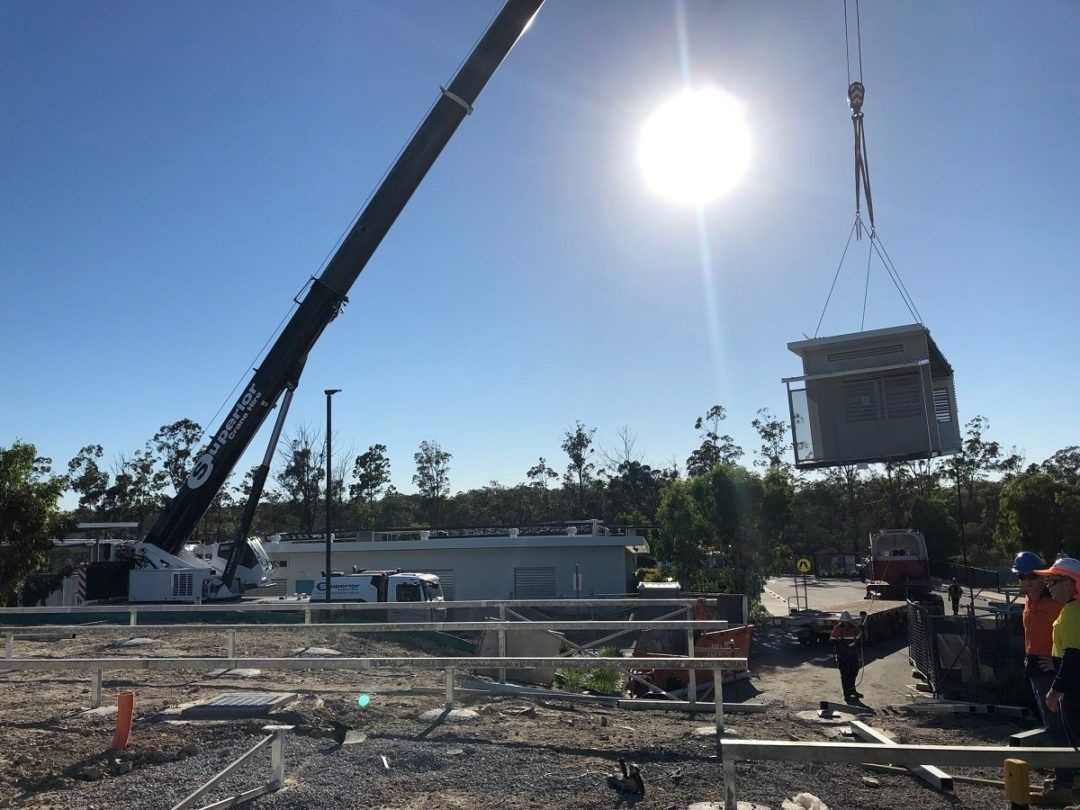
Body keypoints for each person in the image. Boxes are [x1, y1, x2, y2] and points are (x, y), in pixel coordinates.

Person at [1036, 557, 1080, 806]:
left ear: (1071, 583)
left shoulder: (1073, 611)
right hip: (1074, 684)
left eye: (1053, 581)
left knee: (1076, 737)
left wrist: (1055, 689)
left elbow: (1074, 655)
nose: (1049, 586)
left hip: (1075, 689)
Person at [830, 610, 862, 700]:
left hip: (852, 654)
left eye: (847, 621)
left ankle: (852, 690)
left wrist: (860, 631)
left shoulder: (854, 627)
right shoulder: (838, 628)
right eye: (844, 621)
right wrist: (843, 647)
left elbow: (859, 638)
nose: (846, 623)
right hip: (842, 655)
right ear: (842, 621)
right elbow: (833, 641)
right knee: (844, 674)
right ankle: (846, 693)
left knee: (854, 671)